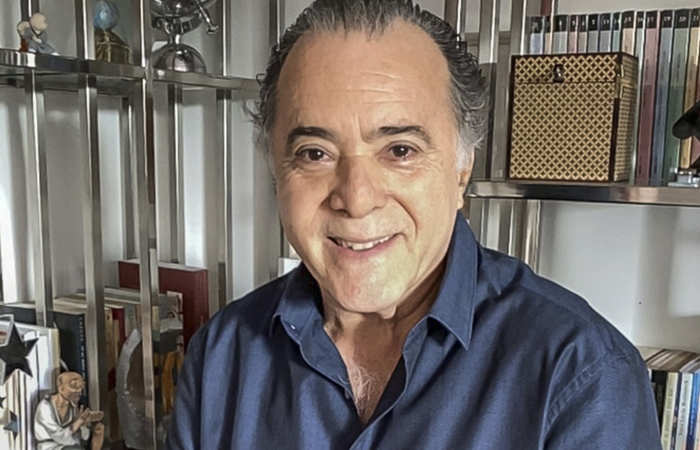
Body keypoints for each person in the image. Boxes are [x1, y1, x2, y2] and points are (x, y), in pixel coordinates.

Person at [167, 1, 661, 448]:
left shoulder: (581, 375)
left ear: (461, 169)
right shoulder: (221, 357)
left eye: (400, 150)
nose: (356, 199)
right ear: (276, 171)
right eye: (315, 153)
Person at [33, 372, 104, 450]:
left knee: (99, 428)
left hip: (71, 446)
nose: (79, 391)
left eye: (81, 387)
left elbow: (84, 437)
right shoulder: (45, 406)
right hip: (50, 447)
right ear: (61, 388)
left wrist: (84, 424)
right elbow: (60, 437)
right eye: (74, 386)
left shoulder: (73, 407)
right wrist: (79, 421)